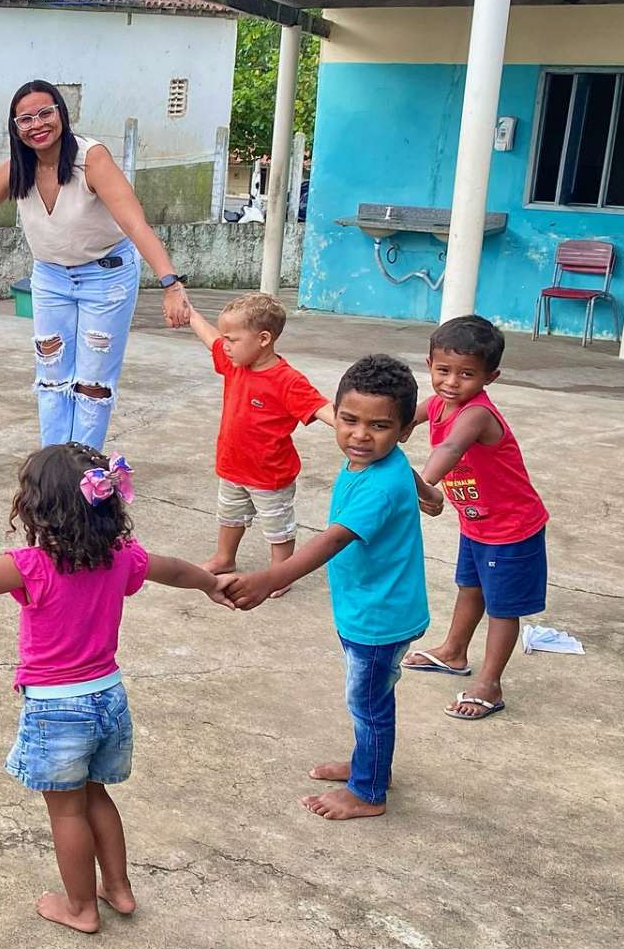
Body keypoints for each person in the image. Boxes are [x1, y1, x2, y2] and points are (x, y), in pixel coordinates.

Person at [0, 443, 234, 933]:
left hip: (58, 708)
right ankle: (118, 890)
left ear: (36, 508)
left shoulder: (32, 566)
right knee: (97, 795)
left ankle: (80, 908)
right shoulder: (123, 557)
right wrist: (211, 583)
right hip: (109, 698)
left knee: (67, 813)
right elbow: (176, 569)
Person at [0, 79, 196, 450]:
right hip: (50, 278)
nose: (38, 125)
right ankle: (53, 466)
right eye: (25, 119)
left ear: (61, 114)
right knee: (51, 376)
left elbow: (134, 223)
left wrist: (170, 284)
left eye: (45, 113)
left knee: (92, 383)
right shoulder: (17, 168)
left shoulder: (92, 159)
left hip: (106, 277)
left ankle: (83, 469)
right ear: (15, 128)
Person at [221, 355, 433, 821]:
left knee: (369, 703)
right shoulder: (380, 459)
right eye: (349, 420)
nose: (359, 435)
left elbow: (334, 539)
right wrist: (428, 492)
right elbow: (405, 467)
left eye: (378, 426)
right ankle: (368, 763)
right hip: (373, 605)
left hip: (379, 616)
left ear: (402, 430)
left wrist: (271, 578)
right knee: (370, 699)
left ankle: (369, 790)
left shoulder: (376, 486)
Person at [402, 315, 549, 722]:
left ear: (491, 376)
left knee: (503, 608)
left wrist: (426, 484)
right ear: (429, 364)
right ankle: (453, 651)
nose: (451, 382)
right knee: (470, 588)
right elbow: (410, 417)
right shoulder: (437, 403)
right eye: (442, 370)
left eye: (466, 374)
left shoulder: (477, 415)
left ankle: (490, 682)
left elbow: (450, 448)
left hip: (512, 528)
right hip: (477, 522)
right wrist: (392, 427)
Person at [178, 293, 334, 590]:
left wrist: (356, 426)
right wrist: (192, 315)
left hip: (270, 475)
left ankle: (280, 573)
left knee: (278, 526)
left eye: (233, 339)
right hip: (232, 465)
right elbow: (211, 338)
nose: (225, 346)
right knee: (229, 516)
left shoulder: (288, 380)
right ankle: (224, 558)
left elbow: (320, 407)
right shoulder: (234, 363)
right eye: (226, 338)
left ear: (263, 339)